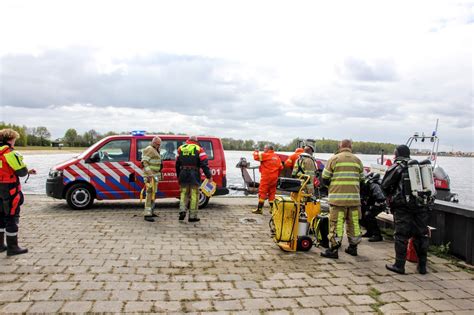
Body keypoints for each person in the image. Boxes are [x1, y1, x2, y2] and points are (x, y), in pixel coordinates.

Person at [382, 145, 431, 275]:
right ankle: (422, 266)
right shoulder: (418, 168)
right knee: (421, 235)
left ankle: (399, 265)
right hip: (421, 206)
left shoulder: (398, 166)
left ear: (397, 154)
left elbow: (385, 184)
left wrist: (390, 197)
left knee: (401, 235)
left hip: (403, 207)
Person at [320, 139, 364, 259]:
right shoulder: (357, 160)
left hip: (338, 200)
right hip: (354, 200)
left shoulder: (334, 159)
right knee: (354, 223)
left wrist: (332, 186)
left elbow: (324, 178)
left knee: (337, 223)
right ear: (351, 146)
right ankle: (353, 248)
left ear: (340, 146)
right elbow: (362, 179)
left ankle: (334, 249)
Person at [0, 128, 36, 256]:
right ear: (11, 139)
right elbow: (20, 171)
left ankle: (0, 245)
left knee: (1, 215)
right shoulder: (10, 153)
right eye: (14, 139)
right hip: (9, 189)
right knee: (12, 216)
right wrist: (27, 171)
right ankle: (12, 247)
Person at [176, 136, 212, 222]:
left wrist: (179, 175)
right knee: (194, 195)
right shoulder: (199, 149)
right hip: (194, 174)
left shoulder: (181, 148)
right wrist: (209, 176)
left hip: (183, 173)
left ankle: (182, 211)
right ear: (196, 141)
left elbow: (177, 164)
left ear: (188, 141)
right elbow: (204, 164)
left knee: (183, 193)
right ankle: (192, 216)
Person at [252, 144, 283, 214]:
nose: (263, 150)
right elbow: (281, 167)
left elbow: (256, 157)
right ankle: (272, 209)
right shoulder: (277, 157)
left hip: (266, 177)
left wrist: (255, 151)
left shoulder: (266, 155)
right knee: (272, 193)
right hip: (274, 178)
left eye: (265, 148)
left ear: (268, 149)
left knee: (262, 192)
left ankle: (259, 209)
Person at [141, 136, 162, 222]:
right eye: (157, 144)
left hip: (154, 176)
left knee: (153, 194)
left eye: (159, 144)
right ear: (153, 142)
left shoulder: (156, 149)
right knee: (149, 195)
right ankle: (147, 214)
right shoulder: (149, 149)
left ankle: (151, 211)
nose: (158, 146)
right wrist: (149, 174)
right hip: (150, 176)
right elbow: (144, 162)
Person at [360, 172, 386, 242]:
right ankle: (370, 232)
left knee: (369, 215)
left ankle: (377, 235)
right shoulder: (367, 186)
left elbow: (380, 198)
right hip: (372, 204)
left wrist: (372, 207)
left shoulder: (374, 185)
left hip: (378, 204)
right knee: (362, 214)